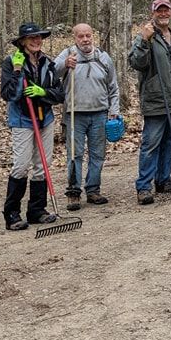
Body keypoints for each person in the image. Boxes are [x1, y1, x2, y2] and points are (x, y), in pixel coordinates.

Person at [129, 0, 171, 205]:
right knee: (151, 144)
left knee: (169, 140)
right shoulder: (147, 38)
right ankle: (144, 187)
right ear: (153, 13)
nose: (164, 13)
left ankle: (163, 179)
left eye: (166, 10)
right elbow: (137, 63)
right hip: (157, 100)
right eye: (160, 11)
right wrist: (143, 40)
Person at [0, 22, 65, 230]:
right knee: (21, 165)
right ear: (22, 42)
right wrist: (18, 71)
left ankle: (37, 210)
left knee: (42, 165)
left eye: (39, 37)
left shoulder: (48, 62)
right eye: (31, 38)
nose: (37, 41)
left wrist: (43, 92)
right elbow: (9, 94)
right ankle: (12, 213)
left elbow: (60, 93)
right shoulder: (11, 62)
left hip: (44, 118)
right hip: (22, 119)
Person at [54, 23, 121, 211]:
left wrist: (113, 111)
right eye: (80, 36)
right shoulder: (68, 55)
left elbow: (113, 87)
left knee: (97, 154)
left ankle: (93, 190)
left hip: (100, 112)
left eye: (88, 35)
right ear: (74, 38)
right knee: (74, 154)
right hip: (75, 113)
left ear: (93, 36)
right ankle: (73, 193)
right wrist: (65, 64)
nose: (85, 39)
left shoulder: (103, 57)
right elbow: (52, 72)